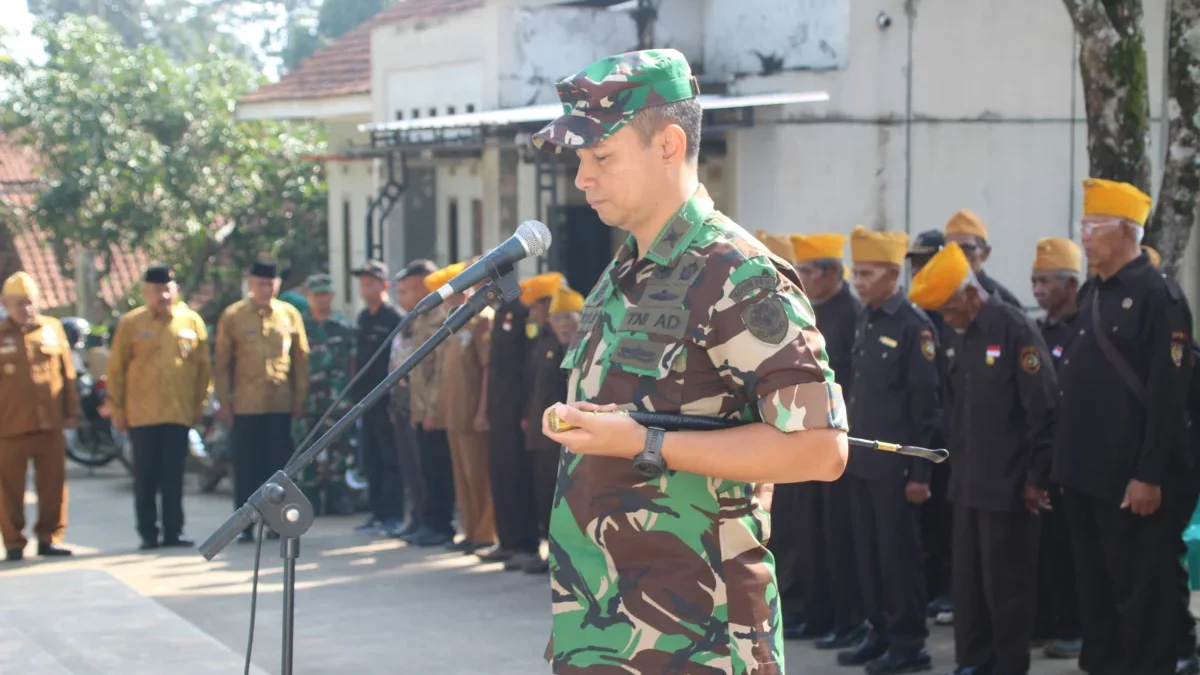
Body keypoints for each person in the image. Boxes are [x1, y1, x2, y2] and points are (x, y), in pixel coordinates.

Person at [534, 49, 849, 674]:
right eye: (579, 160)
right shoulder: (625, 271)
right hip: (604, 630)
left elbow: (820, 449)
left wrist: (641, 441)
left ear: (669, 145)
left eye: (601, 157)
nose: (582, 179)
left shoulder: (738, 275)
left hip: (698, 643)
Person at [1053, 178, 1194, 675]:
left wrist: (1150, 473)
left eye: (1095, 226)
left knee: (1140, 603)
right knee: (1095, 597)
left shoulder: (1159, 296)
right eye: (1082, 225)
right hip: (1085, 479)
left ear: (1129, 233)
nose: (1085, 236)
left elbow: (1168, 396)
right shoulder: (1093, 291)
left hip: (1131, 483)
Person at [910, 242, 1057, 675]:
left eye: (950, 309)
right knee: (968, 587)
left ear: (971, 294)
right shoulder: (963, 333)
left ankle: (1008, 666)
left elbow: (1044, 411)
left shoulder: (1014, 329)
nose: (947, 319)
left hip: (1008, 486)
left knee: (1006, 589)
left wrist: (1036, 479)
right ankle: (972, 661)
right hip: (968, 484)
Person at [836, 225, 940, 674]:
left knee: (899, 560)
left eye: (868, 273)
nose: (858, 282)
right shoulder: (867, 319)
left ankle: (908, 643)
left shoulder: (913, 326)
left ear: (893, 274)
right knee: (869, 557)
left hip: (897, 469)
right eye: (855, 273)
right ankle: (878, 632)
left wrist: (920, 474)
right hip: (863, 464)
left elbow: (927, 409)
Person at [791, 232, 868, 650]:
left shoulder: (852, 314)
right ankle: (818, 614)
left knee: (839, 540)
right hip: (808, 439)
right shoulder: (812, 310)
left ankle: (848, 619)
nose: (801, 278)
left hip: (838, 441)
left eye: (806, 270)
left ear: (830, 273)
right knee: (812, 537)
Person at [106, 265, 211, 549]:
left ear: (175, 290)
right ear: (145, 293)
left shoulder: (191, 322)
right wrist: (117, 409)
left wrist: (199, 403)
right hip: (142, 415)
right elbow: (115, 370)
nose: (162, 295)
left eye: (167, 289)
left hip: (178, 412)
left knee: (173, 478)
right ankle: (148, 534)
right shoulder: (131, 324)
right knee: (145, 478)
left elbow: (203, 369)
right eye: (156, 290)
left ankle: (174, 531)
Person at [766, 231, 838, 640]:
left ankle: (819, 612)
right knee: (788, 533)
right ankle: (795, 606)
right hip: (780, 438)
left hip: (816, 442)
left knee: (815, 539)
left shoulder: (833, 313)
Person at [214, 261, 309, 543]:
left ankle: (277, 523)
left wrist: (299, 397)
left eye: (271, 284)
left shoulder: (289, 314)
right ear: (250, 284)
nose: (266, 289)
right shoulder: (233, 316)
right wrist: (224, 402)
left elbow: (300, 360)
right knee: (245, 465)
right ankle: (244, 524)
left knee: (278, 468)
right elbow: (222, 363)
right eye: (260, 284)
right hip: (245, 405)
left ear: (277, 285)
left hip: (279, 404)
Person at [1028, 237, 1084, 659]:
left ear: (1070, 283)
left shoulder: (1083, 328)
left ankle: (1074, 627)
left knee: (1072, 551)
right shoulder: (1041, 331)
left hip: (1075, 460)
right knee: (1046, 550)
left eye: (1046, 281)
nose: (1038, 290)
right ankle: (1048, 621)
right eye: (1034, 281)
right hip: (1044, 456)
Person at [0, 272, 77, 561]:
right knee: (8, 490)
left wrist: (72, 411)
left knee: (53, 485)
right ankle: (13, 542)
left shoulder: (52, 329)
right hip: (8, 426)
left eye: (30, 302)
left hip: (49, 424)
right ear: (6, 304)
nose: (26, 309)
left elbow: (67, 373)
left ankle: (50, 537)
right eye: (19, 303)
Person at [906, 228, 955, 624]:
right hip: (929, 433)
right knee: (929, 523)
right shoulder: (919, 310)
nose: (919, 271)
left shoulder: (949, 309)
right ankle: (934, 590)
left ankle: (947, 590)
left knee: (946, 520)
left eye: (926, 263)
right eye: (915, 264)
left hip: (950, 431)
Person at [479, 271, 544, 566]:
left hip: (517, 409)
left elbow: (528, 366)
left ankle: (525, 544)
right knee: (500, 474)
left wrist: (526, 409)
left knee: (518, 475)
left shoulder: (522, 313)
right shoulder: (500, 313)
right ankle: (506, 541)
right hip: (499, 408)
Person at [433, 263, 497, 554]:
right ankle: (470, 531)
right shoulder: (453, 322)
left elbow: (487, 370)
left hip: (472, 413)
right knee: (462, 477)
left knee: (479, 476)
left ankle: (485, 533)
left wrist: (483, 410)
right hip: (453, 413)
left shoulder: (481, 320)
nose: (447, 299)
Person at [521, 278, 579, 575]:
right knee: (545, 494)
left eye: (569, 318)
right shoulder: (547, 345)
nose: (563, 325)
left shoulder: (583, 351)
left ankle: (564, 557)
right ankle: (551, 553)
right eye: (557, 319)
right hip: (546, 437)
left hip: (572, 438)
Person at [399, 261, 455, 546]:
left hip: (436, 410)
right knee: (424, 470)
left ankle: (441, 525)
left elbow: (439, 373)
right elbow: (417, 372)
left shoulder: (440, 319)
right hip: (420, 408)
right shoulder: (421, 318)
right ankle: (428, 521)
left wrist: (432, 410)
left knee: (438, 470)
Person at [296, 273, 356, 515]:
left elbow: (353, 362)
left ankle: (336, 494)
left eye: (326, 294)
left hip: (337, 398)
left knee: (339, 447)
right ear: (308, 296)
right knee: (306, 446)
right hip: (308, 399)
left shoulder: (343, 325)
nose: (322, 299)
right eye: (316, 294)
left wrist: (351, 395)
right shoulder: (299, 325)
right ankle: (310, 496)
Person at [388, 260, 438, 541]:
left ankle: (427, 519)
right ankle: (416, 517)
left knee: (424, 468)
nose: (403, 297)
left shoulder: (436, 319)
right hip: (403, 403)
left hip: (422, 404)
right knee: (409, 465)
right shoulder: (408, 320)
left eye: (410, 290)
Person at [942, 210, 1023, 308]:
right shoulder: (939, 297)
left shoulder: (1002, 301)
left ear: (985, 253)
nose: (957, 256)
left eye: (966, 249)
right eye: (950, 250)